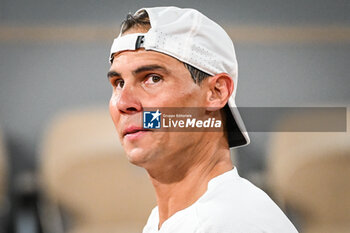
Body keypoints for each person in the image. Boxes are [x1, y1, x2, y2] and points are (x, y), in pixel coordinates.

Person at [107, 6, 298, 233]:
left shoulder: (231, 224)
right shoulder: (167, 219)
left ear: (216, 92)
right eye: (119, 83)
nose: (124, 103)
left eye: (153, 78)